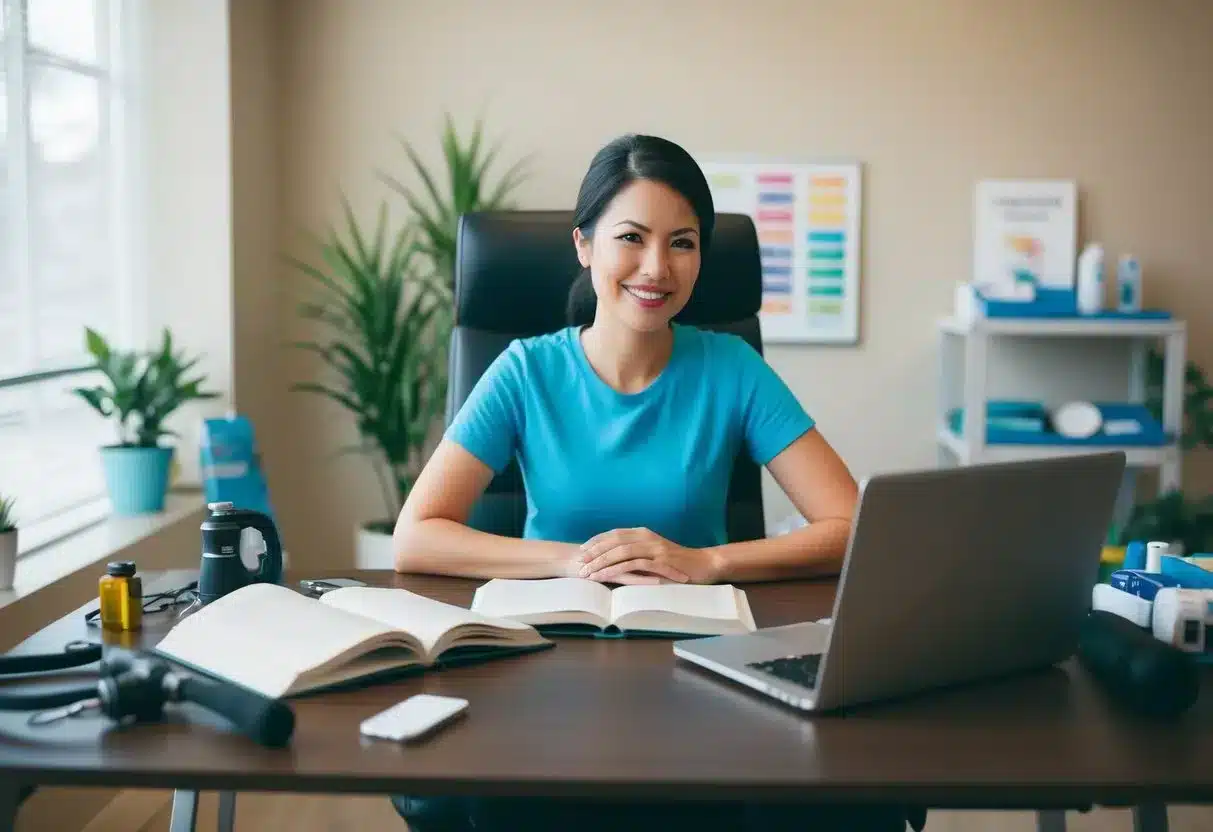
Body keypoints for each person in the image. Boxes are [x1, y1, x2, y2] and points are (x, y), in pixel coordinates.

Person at [389, 134, 915, 832]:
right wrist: (571, 560)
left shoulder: (731, 368)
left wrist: (706, 562)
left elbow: (851, 527)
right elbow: (415, 538)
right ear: (584, 245)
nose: (656, 267)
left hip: (702, 664)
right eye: (631, 238)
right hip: (548, 658)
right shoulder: (525, 370)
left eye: (682, 243)